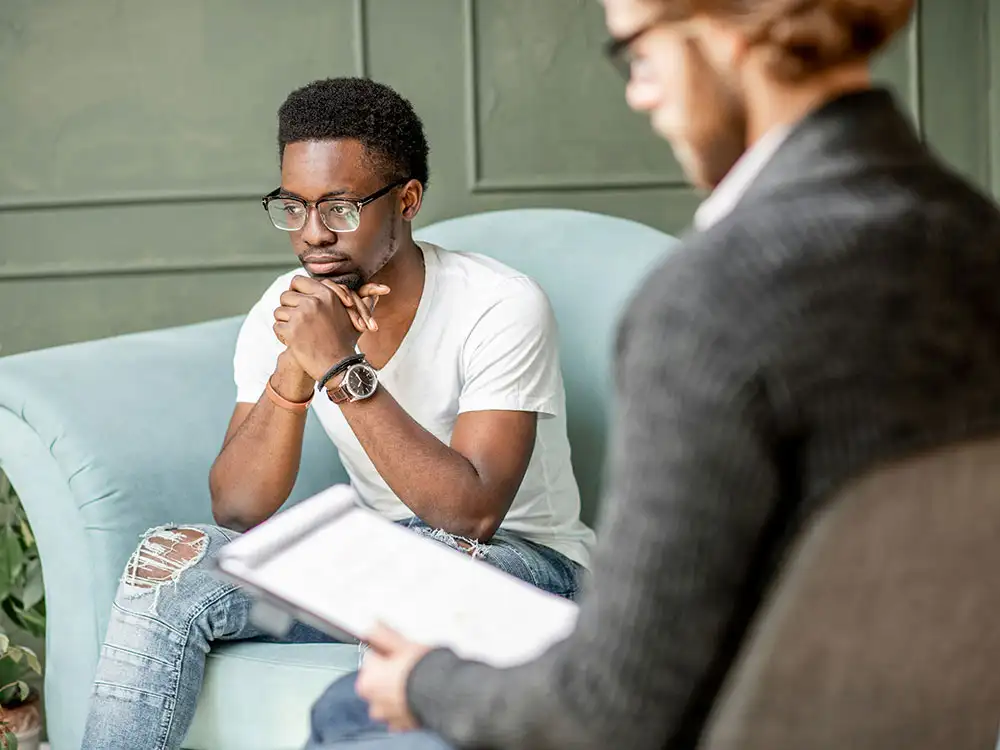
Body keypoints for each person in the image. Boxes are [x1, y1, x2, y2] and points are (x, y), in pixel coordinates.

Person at [307, 0, 1000, 748]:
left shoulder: (719, 294)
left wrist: (423, 680)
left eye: (639, 52)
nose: (639, 94)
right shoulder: (976, 240)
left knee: (356, 711)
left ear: (730, 33)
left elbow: (612, 709)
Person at [81, 77, 594, 750]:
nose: (313, 235)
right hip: (378, 565)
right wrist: (292, 370)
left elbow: (472, 513)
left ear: (406, 200)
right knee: (167, 561)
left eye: (341, 209)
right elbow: (239, 508)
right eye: (292, 207)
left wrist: (339, 369)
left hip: (527, 569)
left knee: (417, 563)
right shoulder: (283, 309)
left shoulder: (500, 304)